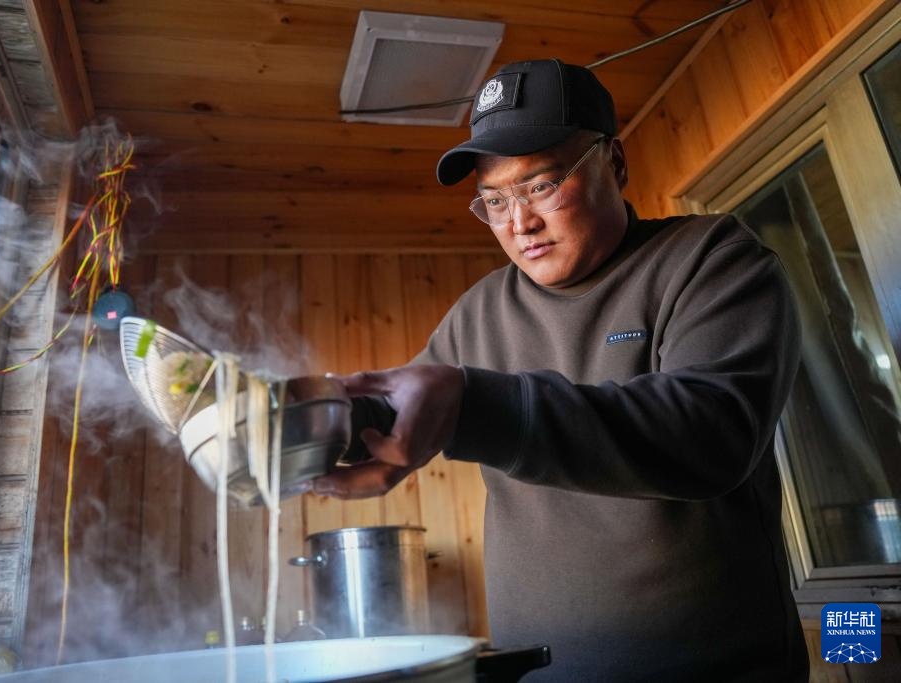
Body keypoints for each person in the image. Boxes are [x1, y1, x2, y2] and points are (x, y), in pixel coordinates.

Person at [313, 58, 809, 681]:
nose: (519, 223)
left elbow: (711, 435)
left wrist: (475, 405)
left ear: (615, 164)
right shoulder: (479, 313)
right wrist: (305, 426)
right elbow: (396, 413)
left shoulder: (710, 259)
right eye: (495, 200)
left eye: (542, 185)